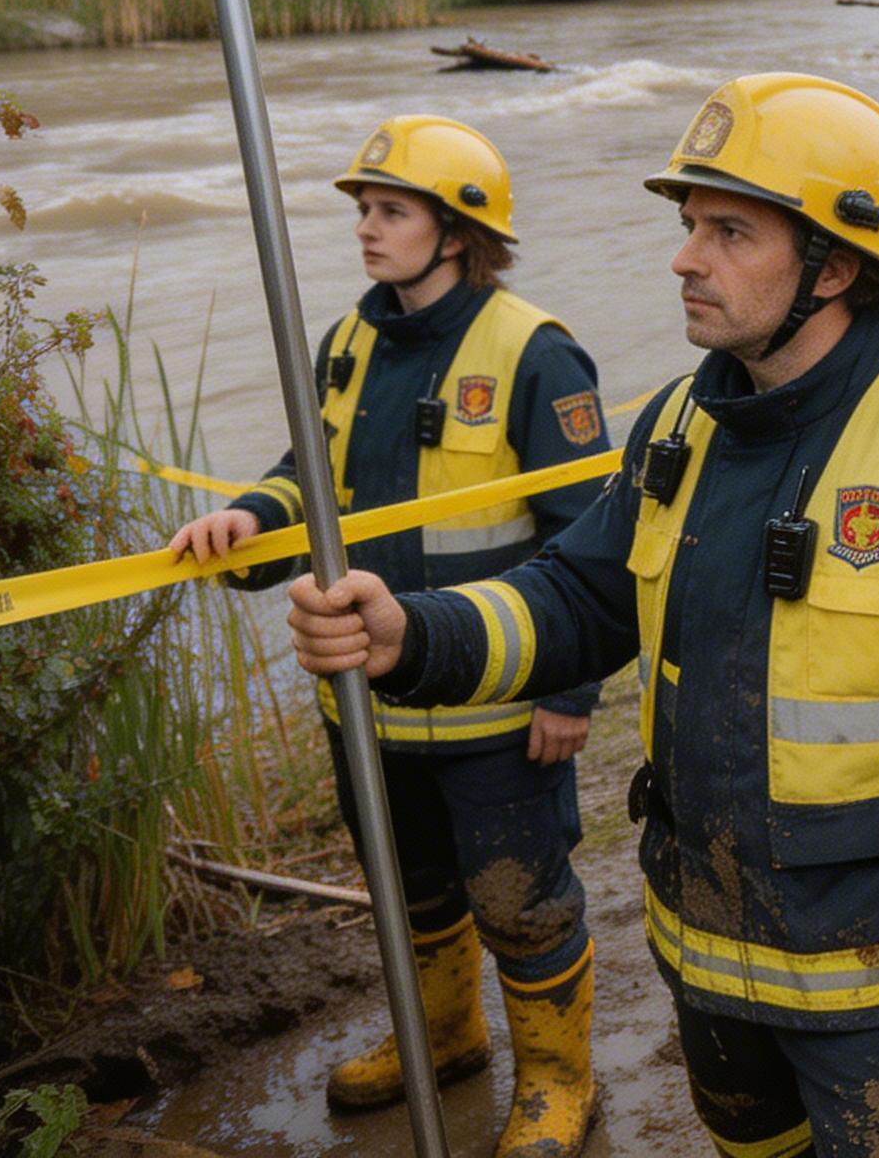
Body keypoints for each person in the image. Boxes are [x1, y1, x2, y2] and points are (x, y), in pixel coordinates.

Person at [283, 75, 879, 1156]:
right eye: (687, 227)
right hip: (710, 958)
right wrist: (412, 635)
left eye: (729, 232)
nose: (683, 258)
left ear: (836, 264)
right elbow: (580, 595)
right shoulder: (680, 423)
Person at [169, 116, 609, 1158]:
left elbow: (593, 543)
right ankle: (449, 1037)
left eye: (390, 211)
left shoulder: (536, 354)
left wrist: (569, 692)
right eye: (364, 209)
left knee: (523, 904)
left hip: (496, 714)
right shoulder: (349, 343)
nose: (365, 229)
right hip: (362, 705)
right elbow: (305, 482)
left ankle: (557, 1079)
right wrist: (249, 522)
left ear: (457, 231)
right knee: (410, 891)